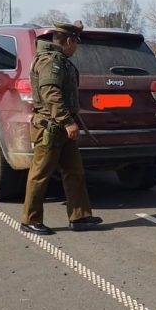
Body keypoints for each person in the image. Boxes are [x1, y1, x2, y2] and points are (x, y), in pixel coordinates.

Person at [20, 22, 102, 235]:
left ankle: (79, 217)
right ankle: (30, 220)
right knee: (40, 174)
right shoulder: (51, 62)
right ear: (69, 41)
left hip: (61, 129)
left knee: (74, 172)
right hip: (51, 128)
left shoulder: (60, 60)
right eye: (76, 43)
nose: (76, 48)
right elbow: (50, 93)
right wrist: (67, 121)